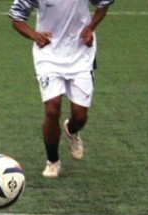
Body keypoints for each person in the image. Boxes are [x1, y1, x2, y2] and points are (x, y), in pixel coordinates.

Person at [9, 0, 114, 178]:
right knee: (52, 109)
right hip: (49, 54)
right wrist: (34, 35)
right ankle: (53, 161)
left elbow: (103, 3)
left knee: (80, 116)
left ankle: (71, 131)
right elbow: (16, 17)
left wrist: (91, 28)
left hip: (81, 52)